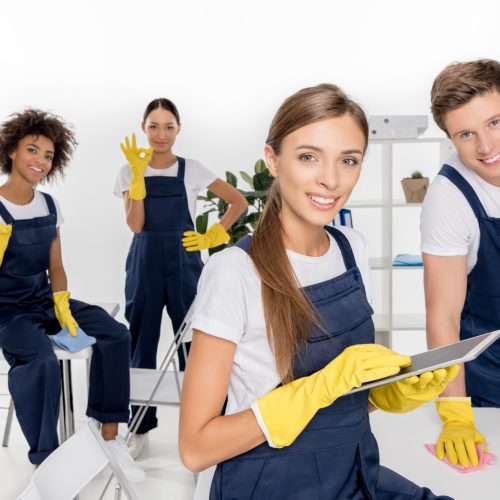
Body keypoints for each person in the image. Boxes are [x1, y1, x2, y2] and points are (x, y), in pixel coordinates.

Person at [180, 83, 457, 499]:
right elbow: (195, 449)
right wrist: (316, 387)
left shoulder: (352, 249)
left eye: (349, 160)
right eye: (308, 157)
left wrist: (383, 394)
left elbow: (340, 404)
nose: (330, 179)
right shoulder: (234, 273)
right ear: (272, 159)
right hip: (272, 486)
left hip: (355, 469)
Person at [0, 108, 144, 481]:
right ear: (11, 151)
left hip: (45, 300)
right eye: (32, 151)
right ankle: (46, 462)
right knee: (41, 362)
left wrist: (62, 306)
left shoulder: (49, 205)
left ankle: (109, 435)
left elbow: (56, 268)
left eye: (48, 155)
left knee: (116, 333)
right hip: (8, 313)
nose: (41, 162)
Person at [114, 98, 247, 457]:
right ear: (143, 128)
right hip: (144, 263)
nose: (161, 134)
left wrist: (214, 234)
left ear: (179, 129)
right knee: (142, 341)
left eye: (168, 126)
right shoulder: (129, 171)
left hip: (185, 262)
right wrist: (138, 177)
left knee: (195, 344)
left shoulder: (192, 168)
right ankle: (140, 428)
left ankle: (204, 426)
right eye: (154, 126)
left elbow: (238, 202)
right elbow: (136, 225)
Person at [421, 58, 500, 468]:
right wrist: (456, 414)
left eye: (495, 123)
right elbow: (442, 316)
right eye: (466, 134)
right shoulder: (449, 198)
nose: (485, 148)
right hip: (493, 386)